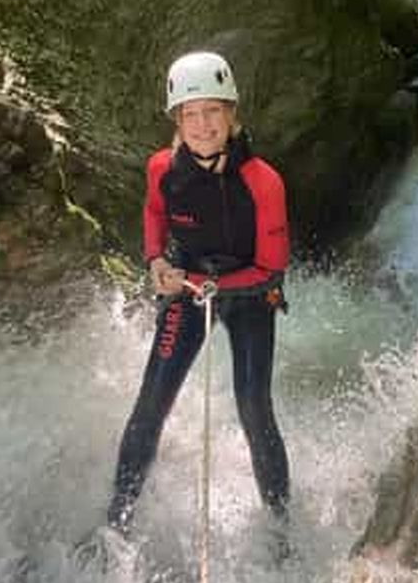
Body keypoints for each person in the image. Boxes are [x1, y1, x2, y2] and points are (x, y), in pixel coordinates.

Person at [105, 50, 291, 538]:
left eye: (213, 111)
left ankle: (280, 526)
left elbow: (271, 268)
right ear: (178, 120)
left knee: (253, 406)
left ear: (232, 114)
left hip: (251, 295)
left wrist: (211, 285)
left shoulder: (263, 182)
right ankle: (117, 520)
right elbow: (152, 213)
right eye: (191, 114)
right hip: (189, 284)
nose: (203, 125)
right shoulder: (162, 168)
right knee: (151, 403)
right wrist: (155, 261)